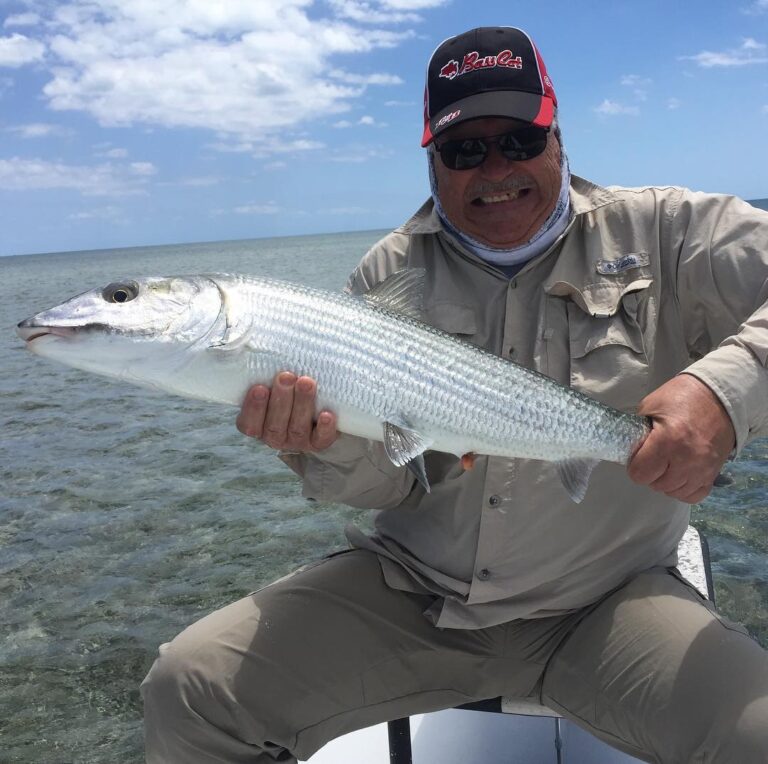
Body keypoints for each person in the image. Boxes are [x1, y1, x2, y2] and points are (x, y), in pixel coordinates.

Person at [142, 26, 768, 763]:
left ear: (559, 139)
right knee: (188, 688)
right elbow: (392, 485)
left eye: (519, 141)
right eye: (464, 150)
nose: (495, 169)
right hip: (418, 598)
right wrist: (318, 442)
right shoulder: (387, 274)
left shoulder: (668, 230)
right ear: (433, 161)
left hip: (610, 601)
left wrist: (724, 395)